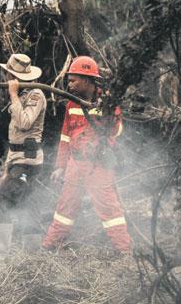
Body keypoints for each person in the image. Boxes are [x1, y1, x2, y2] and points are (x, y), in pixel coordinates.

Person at [42, 56, 131, 254]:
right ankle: (49, 247)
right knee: (65, 208)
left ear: (88, 80)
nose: (70, 84)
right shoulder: (71, 105)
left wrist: (100, 129)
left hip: (98, 166)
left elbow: (117, 130)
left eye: (74, 80)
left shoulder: (107, 103)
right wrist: (60, 166)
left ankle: (124, 253)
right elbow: (65, 138)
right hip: (75, 164)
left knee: (109, 210)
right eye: (69, 80)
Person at [0, 54, 46, 230]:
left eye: (8, 74)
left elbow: (24, 123)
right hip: (18, 162)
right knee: (29, 205)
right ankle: (32, 251)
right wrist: (8, 168)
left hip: (27, 164)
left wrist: (13, 94)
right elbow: (15, 140)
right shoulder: (22, 95)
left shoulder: (35, 95)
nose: (5, 77)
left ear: (14, 77)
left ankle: (1, 254)